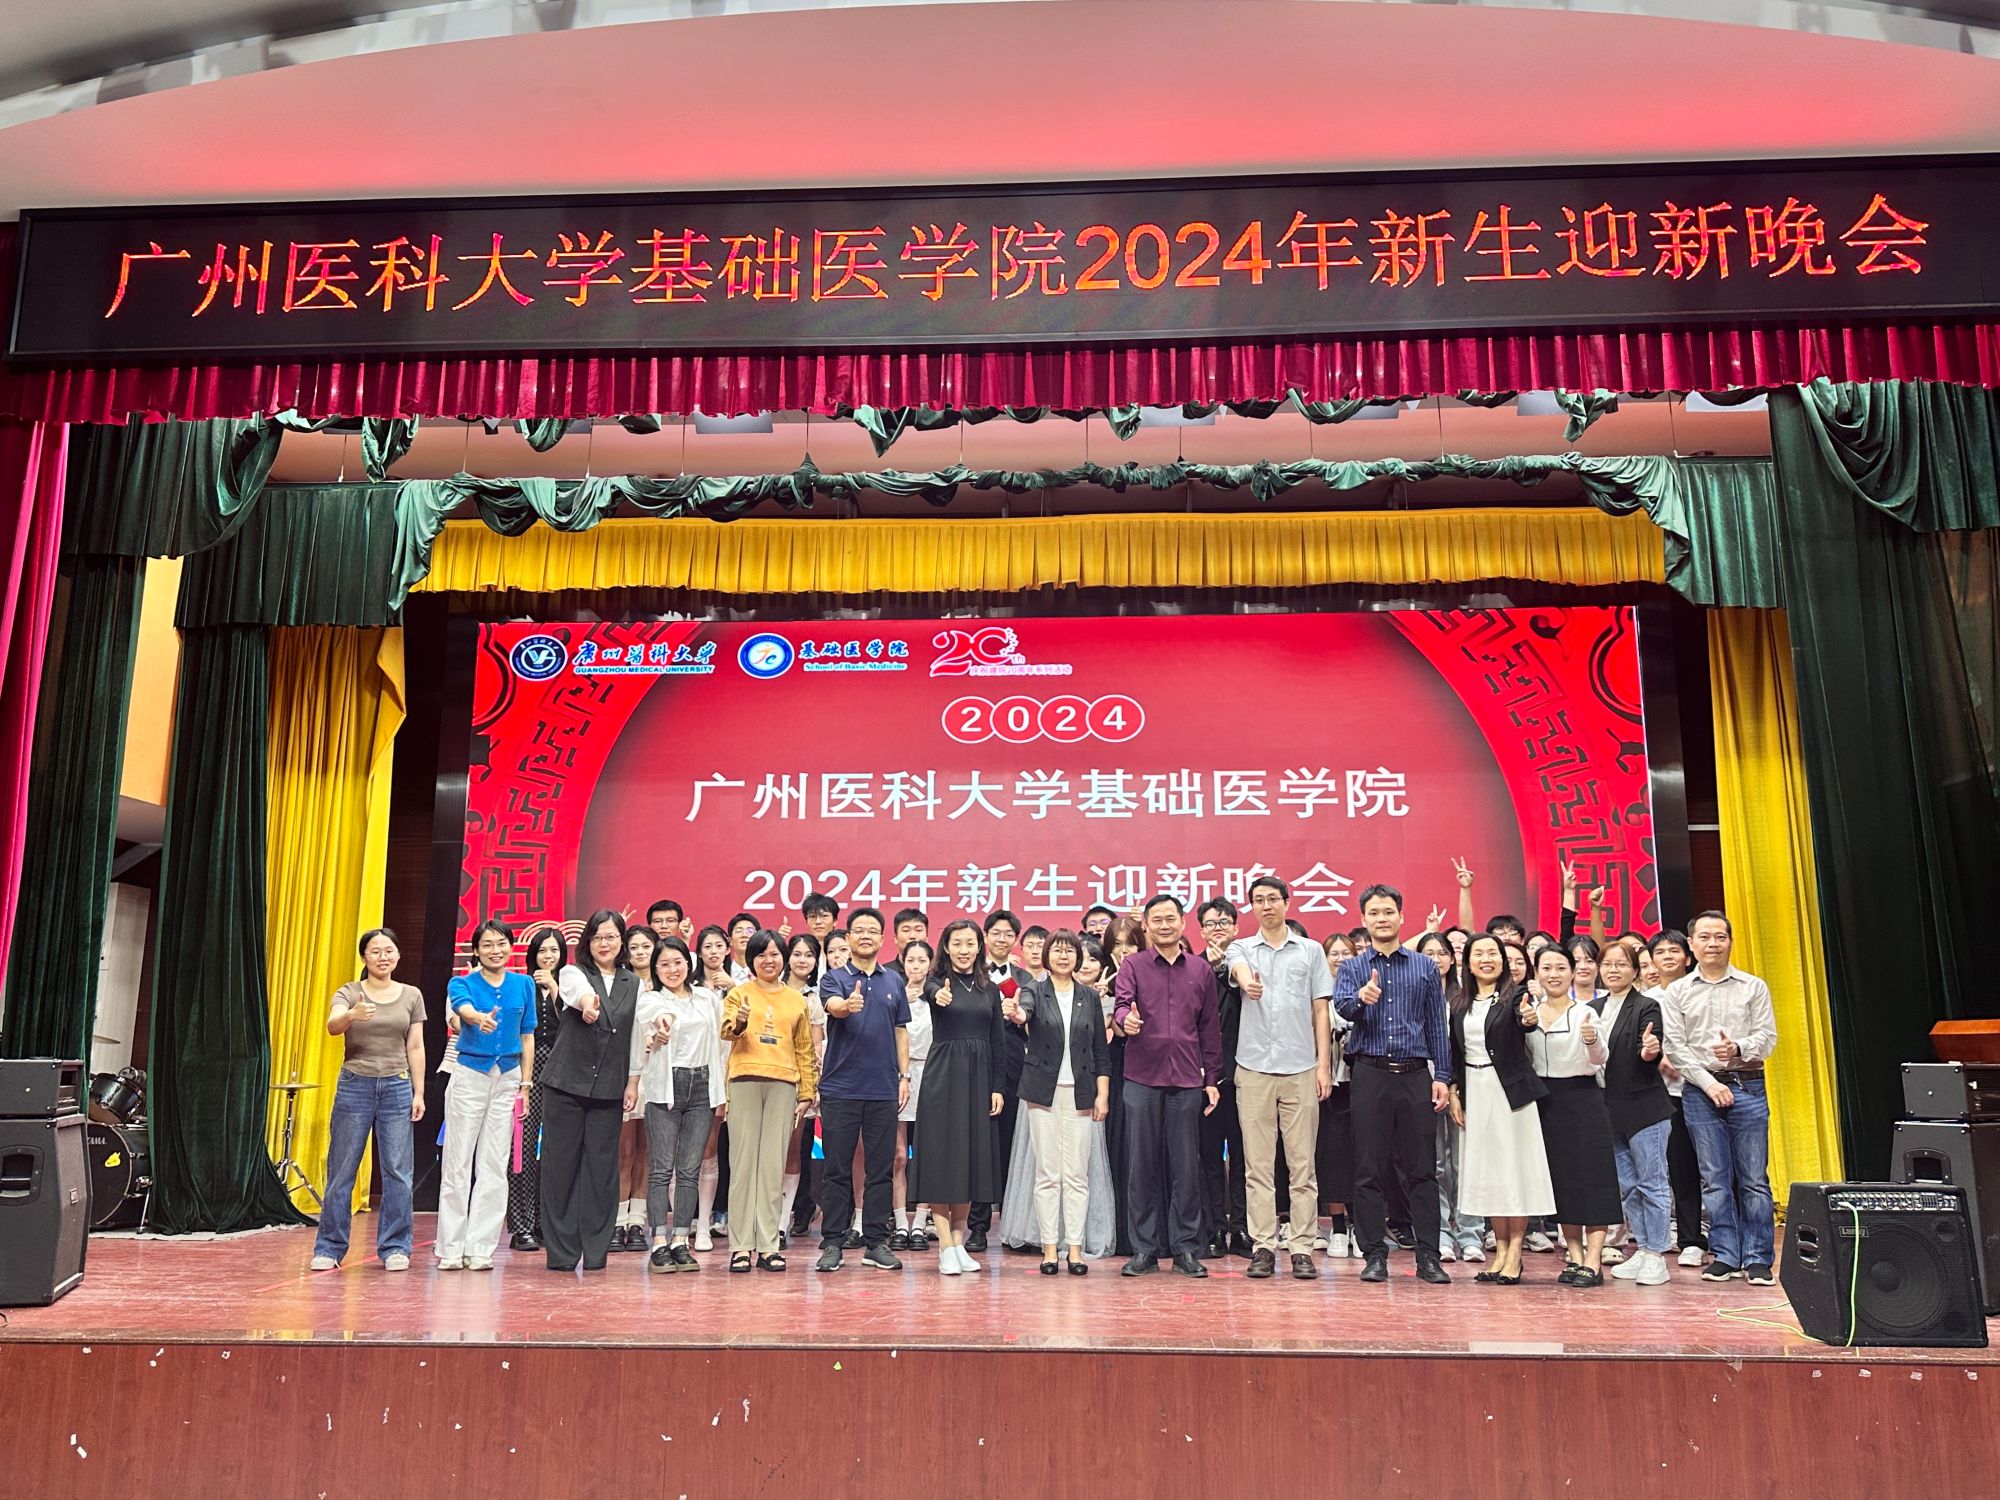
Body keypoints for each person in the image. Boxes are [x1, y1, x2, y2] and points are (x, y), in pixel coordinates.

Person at [1332, 883, 1453, 1286]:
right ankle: (1373, 1255)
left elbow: (1436, 1026)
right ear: (1363, 920)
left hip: (1416, 1074)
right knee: (1368, 1168)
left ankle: (1429, 1256)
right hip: (1369, 1073)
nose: (1381, 919)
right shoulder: (1353, 967)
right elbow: (1342, 1008)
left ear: (1401, 916)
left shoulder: (1424, 967)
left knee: (1422, 1169)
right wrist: (1361, 999)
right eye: (1374, 913)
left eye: (1388, 912)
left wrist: (1443, 1076)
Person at [1662, 911, 1778, 1286]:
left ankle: (1757, 1258)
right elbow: (1675, 1047)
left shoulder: (1752, 986)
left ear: (1730, 942)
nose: (1713, 944)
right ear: (1691, 945)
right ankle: (1726, 1254)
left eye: (1720, 937)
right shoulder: (1677, 992)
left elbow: (1768, 1037)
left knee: (1753, 1178)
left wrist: (1739, 1048)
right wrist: (1709, 1083)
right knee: (1714, 1178)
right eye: (1705, 937)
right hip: (1700, 1091)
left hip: (1748, 1084)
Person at [1226, 877, 1333, 1280]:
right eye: (1258, 900)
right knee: (1257, 1166)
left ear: (1287, 902)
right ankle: (1263, 1246)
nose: (1266, 905)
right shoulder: (1241, 948)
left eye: (1273, 899)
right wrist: (1246, 982)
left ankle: (1302, 1246)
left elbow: (1320, 1010)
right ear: (1251, 907)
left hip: (1301, 1067)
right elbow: (1237, 969)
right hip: (1254, 1068)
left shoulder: (1310, 950)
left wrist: (1323, 1065)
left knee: (1302, 1165)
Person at [1112, 893, 1221, 1279]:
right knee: (1141, 1167)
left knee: (1185, 1168)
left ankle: (1186, 1249)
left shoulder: (1201, 970)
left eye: (1170, 918)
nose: (1163, 925)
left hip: (1188, 1079)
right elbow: (1121, 1005)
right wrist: (1126, 1020)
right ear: (1146, 926)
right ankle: (1144, 1249)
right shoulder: (1133, 965)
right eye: (1156, 919)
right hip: (1141, 1078)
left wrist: (1212, 1079)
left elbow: (1210, 1028)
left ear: (1182, 922)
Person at [311, 929, 427, 1271]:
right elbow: (333, 1025)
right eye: (375, 951)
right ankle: (329, 1248)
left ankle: (395, 1247)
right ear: (364, 957)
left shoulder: (411, 995)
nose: (382, 957)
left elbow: (415, 1046)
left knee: (398, 1171)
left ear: (398, 955)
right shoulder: (350, 992)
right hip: (355, 1084)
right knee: (342, 1169)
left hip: (397, 1086)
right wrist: (351, 1015)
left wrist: (419, 1092)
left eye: (388, 950)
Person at [1447, 933, 1552, 1286]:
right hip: (1475, 1091)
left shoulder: (1515, 997)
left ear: (1503, 961)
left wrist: (1528, 1018)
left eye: (1493, 953)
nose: (1486, 959)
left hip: (1509, 1092)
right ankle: (1500, 1250)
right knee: (1488, 1173)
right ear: (1468, 962)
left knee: (1512, 1171)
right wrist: (1454, 1092)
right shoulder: (1460, 1003)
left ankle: (1515, 1252)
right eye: (1479, 953)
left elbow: (1527, 1020)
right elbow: (1455, 1052)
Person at [541, 910, 639, 1272]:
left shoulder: (634, 983)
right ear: (588, 942)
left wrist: (633, 1082)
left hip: (610, 1088)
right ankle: (562, 1252)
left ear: (621, 941)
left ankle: (597, 1250)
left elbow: (637, 1036)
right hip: (566, 1085)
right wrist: (587, 1006)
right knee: (560, 1168)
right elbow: (578, 994)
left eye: (611, 937)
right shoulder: (573, 972)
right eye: (598, 937)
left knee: (602, 1171)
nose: (604, 944)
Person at [814, 907, 911, 1273]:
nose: (866, 935)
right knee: (837, 1169)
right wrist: (847, 1005)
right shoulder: (835, 977)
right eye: (859, 930)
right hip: (840, 1088)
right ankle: (833, 1242)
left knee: (880, 1169)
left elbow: (901, 1030)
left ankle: (875, 1242)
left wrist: (904, 1077)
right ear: (848, 938)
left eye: (873, 930)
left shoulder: (894, 981)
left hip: (883, 1088)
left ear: (883, 939)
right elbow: (834, 1007)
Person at [438, 919, 537, 1271]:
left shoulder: (524, 984)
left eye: (501, 943)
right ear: (476, 951)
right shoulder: (462, 982)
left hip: (508, 1077)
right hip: (470, 1075)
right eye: (488, 945)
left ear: (511, 947)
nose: (496, 950)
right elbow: (462, 1009)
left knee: (495, 1164)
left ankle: (480, 1247)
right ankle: (451, 1248)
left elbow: (527, 1036)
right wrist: (477, 1018)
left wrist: (525, 1084)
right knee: (458, 1162)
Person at [1013, 928, 1112, 1274]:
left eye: (1070, 950)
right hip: (1043, 1092)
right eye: (1057, 950)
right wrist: (1018, 1015)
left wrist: (1102, 1094)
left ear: (1078, 957)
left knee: (1077, 1175)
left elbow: (1100, 1050)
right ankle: (1049, 1249)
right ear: (1047, 956)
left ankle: (1075, 1249)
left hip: (1081, 1092)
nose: (1064, 955)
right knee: (1047, 1173)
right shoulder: (1035, 990)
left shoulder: (1089, 996)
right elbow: (1024, 1012)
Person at [909, 919, 1005, 1276]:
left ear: (979, 946)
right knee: (942, 1158)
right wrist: (938, 995)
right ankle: (945, 1247)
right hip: (944, 1077)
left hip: (979, 1079)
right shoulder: (937, 981)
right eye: (957, 943)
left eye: (970, 943)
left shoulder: (989, 989)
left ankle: (958, 1242)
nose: (964, 950)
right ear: (946, 948)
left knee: (970, 1160)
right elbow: (931, 991)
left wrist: (997, 1087)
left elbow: (998, 1041)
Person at [719, 930, 818, 1271]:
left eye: (775, 954)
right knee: (743, 1165)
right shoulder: (739, 993)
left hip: (783, 1085)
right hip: (745, 1080)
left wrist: (807, 1092)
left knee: (773, 1167)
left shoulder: (796, 1000)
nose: (768, 960)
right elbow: (726, 1031)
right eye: (761, 955)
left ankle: (768, 1246)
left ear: (784, 958)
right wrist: (740, 1021)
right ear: (752, 960)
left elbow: (805, 1049)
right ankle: (741, 1247)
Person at [1525, 945, 1621, 1287]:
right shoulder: (1528, 1014)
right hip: (1545, 1102)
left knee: (1594, 1180)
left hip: (1583, 1098)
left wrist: (1592, 1040)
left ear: (1572, 972)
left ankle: (1593, 1261)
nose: (1554, 974)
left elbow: (1600, 1058)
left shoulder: (1586, 1012)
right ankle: (1575, 1256)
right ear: (1537, 973)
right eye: (1547, 968)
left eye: (1561, 968)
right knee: (1562, 1183)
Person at [632, 935, 726, 1273]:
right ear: (655, 969)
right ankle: (659, 1241)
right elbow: (657, 1020)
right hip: (667, 1086)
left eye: (678, 962)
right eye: (664, 964)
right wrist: (660, 1030)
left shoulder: (707, 997)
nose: (672, 969)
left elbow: (724, 1038)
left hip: (703, 1085)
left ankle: (681, 1240)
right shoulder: (651, 999)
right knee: (661, 1169)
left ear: (689, 964)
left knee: (690, 1170)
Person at [1596, 938, 1674, 1286]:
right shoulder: (1593, 1008)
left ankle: (1657, 1254)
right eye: (1607, 964)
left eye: (1621, 964)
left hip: (1645, 1109)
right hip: (1608, 1109)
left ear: (1634, 970)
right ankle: (1642, 1248)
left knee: (1652, 1183)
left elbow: (1649, 1048)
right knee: (1628, 1186)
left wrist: (1650, 1051)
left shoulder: (1646, 1005)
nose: (1613, 970)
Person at [966, 909, 1029, 1254]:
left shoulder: (1027, 978)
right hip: (978, 1068)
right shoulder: (971, 975)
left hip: (1016, 1072)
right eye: (996, 933)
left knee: (1012, 1147)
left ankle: (1013, 1226)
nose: (1002, 939)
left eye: (1008, 934)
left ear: (1015, 940)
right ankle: (977, 1227)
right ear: (985, 937)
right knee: (980, 1148)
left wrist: (1019, 1016)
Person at [1418, 931, 1481, 1264]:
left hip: (1462, 1088)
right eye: (1428, 953)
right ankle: (1441, 1233)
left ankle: (1470, 1234)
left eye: (1442, 952)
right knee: (1436, 1166)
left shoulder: (1465, 997)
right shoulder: (1414, 995)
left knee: (1465, 1163)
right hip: (1421, 1087)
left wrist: (1454, 1086)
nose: (1436, 958)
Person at [507, 925, 568, 1253]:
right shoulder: (522, 985)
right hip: (526, 1070)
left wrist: (555, 988)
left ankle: (546, 1222)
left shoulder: (570, 985)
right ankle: (521, 1226)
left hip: (561, 1072)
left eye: (554, 951)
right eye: (542, 951)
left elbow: (573, 1024)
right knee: (523, 1149)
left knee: (555, 1153)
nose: (548, 956)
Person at [1648, 930, 1707, 1266]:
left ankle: (1729, 1238)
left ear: (1688, 956)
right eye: (1661, 952)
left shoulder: (1701, 991)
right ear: (1652, 961)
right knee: (1681, 1168)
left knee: (1717, 1170)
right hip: (1668, 1095)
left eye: (1674, 950)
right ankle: (1690, 1239)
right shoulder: (1646, 999)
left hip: (1706, 1088)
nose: (1668, 956)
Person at [1197, 898, 1249, 1259]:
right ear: (1201, 931)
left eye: (1224, 923)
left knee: (1246, 1158)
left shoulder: (1248, 965)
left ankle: (1242, 1228)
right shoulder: (1191, 967)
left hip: (1247, 1074)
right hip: (1206, 1078)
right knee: (1210, 1156)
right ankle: (1216, 1227)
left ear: (1236, 928)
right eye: (1211, 924)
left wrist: (1224, 972)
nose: (1218, 929)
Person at [612, 924, 658, 1251]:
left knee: (647, 1152)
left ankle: (637, 1222)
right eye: (634, 947)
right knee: (623, 1151)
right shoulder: (622, 985)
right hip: (627, 1075)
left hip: (659, 1077)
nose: (640, 952)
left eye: (646, 947)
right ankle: (617, 1222)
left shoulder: (668, 985)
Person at [692, 924, 737, 1248]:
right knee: (688, 1151)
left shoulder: (741, 986)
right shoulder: (690, 987)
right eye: (707, 946)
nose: (713, 952)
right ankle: (692, 1219)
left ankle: (712, 1220)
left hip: (730, 1074)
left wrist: (734, 988)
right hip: (694, 1073)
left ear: (727, 949)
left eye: (718, 946)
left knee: (715, 1149)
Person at [781, 932, 828, 1242]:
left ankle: (782, 1221)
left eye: (809, 955)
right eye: (797, 954)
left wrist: (813, 1084)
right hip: (769, 1078)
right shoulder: (772, 989)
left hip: (799, 1083)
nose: (802, 960)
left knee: (793, 1150)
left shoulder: (815, 998)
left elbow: (815, 1046)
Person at [1316, 933, 1358, 1258]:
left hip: (1362, 1086)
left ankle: (1361, 1227)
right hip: (1329, 1086)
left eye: (1347, 953)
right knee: (1332, 1158)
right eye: (1334, 953)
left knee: (1363, 1157)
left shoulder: (1366, 991)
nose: (1341, 959)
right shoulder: (1319, 996)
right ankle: (1339, 1228)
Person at [892, 938, 935, 1249]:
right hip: (899, 1077)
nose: (916, 966)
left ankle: (920, 1223)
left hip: (932, 1076)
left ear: (930, 964)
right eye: (911, 960)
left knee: (927, 1155)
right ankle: (899, 1224)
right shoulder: (894, 996)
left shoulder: (939, 996)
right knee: (897, 1156)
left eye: (922, 960)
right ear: (902, 963)